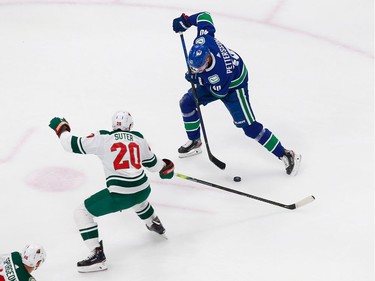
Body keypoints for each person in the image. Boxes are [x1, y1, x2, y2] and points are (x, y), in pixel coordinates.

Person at [172, 11, 301, 176]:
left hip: (234, 85)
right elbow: (205, 17)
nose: (196, 70)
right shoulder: (203, 40)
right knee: (187, 103)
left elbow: (219, 92)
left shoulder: (218, 73)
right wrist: (186, 21)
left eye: (199, 68)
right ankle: (195, 142)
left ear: (208, 60)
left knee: (249, 127)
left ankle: (286, 154)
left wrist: (197, 79)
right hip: (219, 81)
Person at [49, 111, 174, 273]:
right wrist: (167, 167)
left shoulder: (103, 138)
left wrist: (62, 129)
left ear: (113, 125)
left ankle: (97, 255)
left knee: (82, 212)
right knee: (137, 196)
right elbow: (154, 166)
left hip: (121, 195)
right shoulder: (139, 138)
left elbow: (70, 144)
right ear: (130, 125)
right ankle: (154, 222)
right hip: (144, 189)